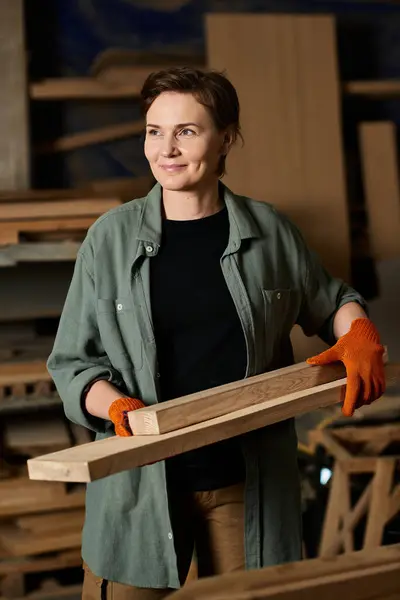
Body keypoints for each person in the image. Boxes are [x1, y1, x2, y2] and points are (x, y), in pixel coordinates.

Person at [47, 67, 386, 599]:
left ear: (226, 137)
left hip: (245, 482)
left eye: (187, 131)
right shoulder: (109, 240)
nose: (167, 149)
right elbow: (72, 363)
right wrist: (116, 408)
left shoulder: (270, 231)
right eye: (154, 131)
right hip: (141, 485)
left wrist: (360, 331)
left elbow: (332, 301)